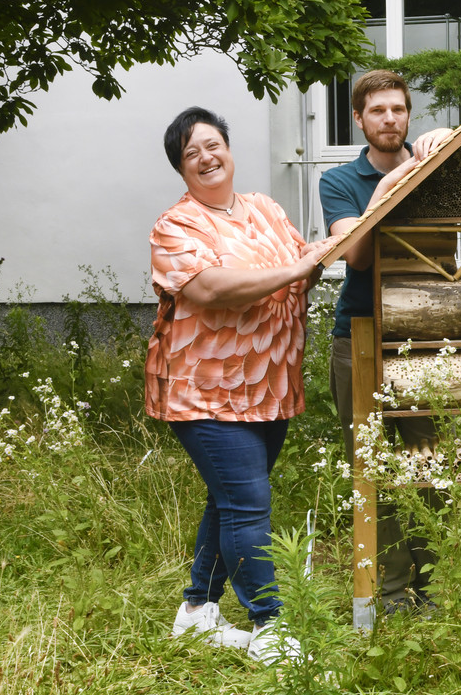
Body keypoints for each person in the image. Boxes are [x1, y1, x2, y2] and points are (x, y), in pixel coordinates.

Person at [146, 106, 333, 662]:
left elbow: (306, 263)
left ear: (229, 148)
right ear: (181, 168)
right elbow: (211, 289)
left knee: (228, 501)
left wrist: (313, 263)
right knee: (248, 504)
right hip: (203, 391)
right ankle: (269, 625)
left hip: (268, 387)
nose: (206, 157)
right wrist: (297, 271)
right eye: (190, 153)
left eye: (212, 144)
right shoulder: (176, 226)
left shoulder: (266, 210)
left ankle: (197, 611)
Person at [319, 70, 451, 614]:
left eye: (398, 109)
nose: (390, 120)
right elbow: (356, 254)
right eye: (378, 111)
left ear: (408, 114)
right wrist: (396, 182)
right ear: (359, 119)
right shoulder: (339, 181)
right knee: (370, 468)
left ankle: (432, 586)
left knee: (429, 466)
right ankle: (389, 593)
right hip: (360, 340)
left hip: (422, 341)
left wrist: (445, 146)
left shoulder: (432, 169)